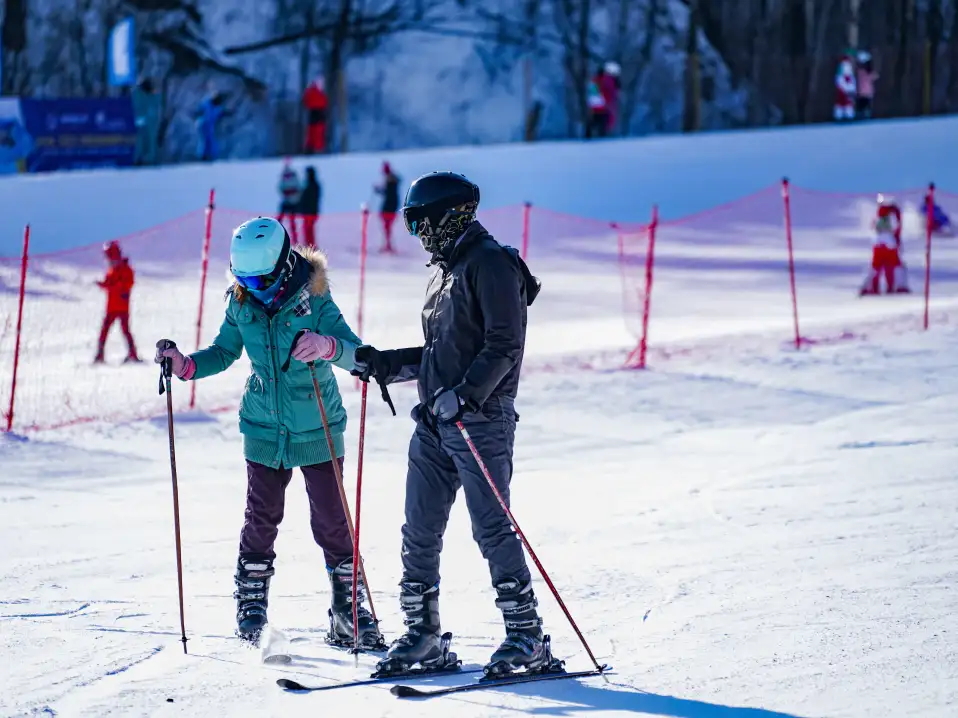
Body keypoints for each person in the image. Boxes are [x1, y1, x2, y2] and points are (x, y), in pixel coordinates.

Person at [351, 172, 550, 679]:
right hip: (436, 422)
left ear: (451, 214)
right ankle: (423, 635)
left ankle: (526, 636)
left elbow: (505, 344)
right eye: (411, 224)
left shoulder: (492, 264)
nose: (418, 233)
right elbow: (442, 354)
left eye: (422, 222)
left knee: (490, 527)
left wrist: (465, 396)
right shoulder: (445, 272)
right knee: (418, 530)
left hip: (480, 421)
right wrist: (388, 363)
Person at [154, 217, 383, 649]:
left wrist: (327, 347)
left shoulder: (314, 299)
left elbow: (356, 352)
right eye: (244, 278)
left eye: (260, 278)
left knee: (333, 522)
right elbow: (223, 351)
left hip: (316, 421)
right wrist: (185, 365)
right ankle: (252, 605)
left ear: (281, 266)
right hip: (264, 425)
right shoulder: (241, 302)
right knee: (261, 519)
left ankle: (348, 611)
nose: (253, 286)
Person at [95, 241, 140, 364]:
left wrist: (112, 286)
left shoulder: (126, 270)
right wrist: (102, 284)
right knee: (105, 331)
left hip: (122, 307)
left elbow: (126, 285)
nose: (109, 260)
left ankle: (133, 354)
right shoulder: (112, 270)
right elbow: (110, 284)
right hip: (111, 307)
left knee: (125, 330)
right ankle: (100, 355)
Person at [861, 194, 909, 295]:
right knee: (894, 265)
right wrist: (897, 241)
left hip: (878, 243)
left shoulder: (878, 213)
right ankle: (896, 287)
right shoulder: (894, 213)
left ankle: (871, 287)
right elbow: (896, 228)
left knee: (875, 266)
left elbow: (873, 227)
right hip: (890, 243)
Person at [132, 78, 161, 165]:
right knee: (142, 139)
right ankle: (142, 157)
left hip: (147, 120)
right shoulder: (141, 95)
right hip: (145, 120)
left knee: (147, 139)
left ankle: (147, 158)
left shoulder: (148, 96)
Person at [374, 162, 400, 253]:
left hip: (389, 207)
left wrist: (379, 190)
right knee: (387, 227)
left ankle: (388, 245)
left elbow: (388, 193)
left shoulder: (390, 181)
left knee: (387, 227)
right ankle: (388, 245)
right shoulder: (393, 181)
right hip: (392, 207)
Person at [196, 85, 225, 161]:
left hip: (210, 126)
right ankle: (203, 156)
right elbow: (199, 111)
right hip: (203, 124)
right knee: (205, 140)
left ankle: (211, 156)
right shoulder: (206, 104)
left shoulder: (217, 107)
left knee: (211, 140)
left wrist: (228, 113)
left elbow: (221, 114)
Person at [277, 160, 301, 245]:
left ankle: (295, 240)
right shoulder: (284, 177)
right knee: (279, 221)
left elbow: (298, 188)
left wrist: (290, 192)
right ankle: (276, 237)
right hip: (286, 202)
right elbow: (280, 188)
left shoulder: (293, 177)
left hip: (292, 203)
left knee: (292, 222)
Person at [302, 76, 328, 155]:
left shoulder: (312, 92)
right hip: (316, 115)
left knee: (315, 134)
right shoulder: (314, 92)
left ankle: (314, 149)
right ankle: (315, 150)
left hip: (316, 116)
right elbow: (323, 102)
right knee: (315, 134)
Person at [299, 166, 322, 249]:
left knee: (309, 231)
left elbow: (308, 199)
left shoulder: (312, 185)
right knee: (307, 230)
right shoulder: (311, 185)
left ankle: (311, 247)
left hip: (310, 212)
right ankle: (310, 247)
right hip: (309, 212)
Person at [834, 51, 857, 122]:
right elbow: (840, 79)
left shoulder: (848, 66)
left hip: (846, 88)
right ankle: (842, 116)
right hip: (844, 89)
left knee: (846, 103)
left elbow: (850, 78)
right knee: (844, 103)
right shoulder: (844, 65)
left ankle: (846, 115)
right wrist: (847, 88)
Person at [855, 51, 878, 120]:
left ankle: (861, 117)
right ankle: (865, 117)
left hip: (861, 92)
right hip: (867, 92)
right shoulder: (869, 72)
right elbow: (876, 77)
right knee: (866, 106)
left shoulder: (860, 72)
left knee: (861, 106)